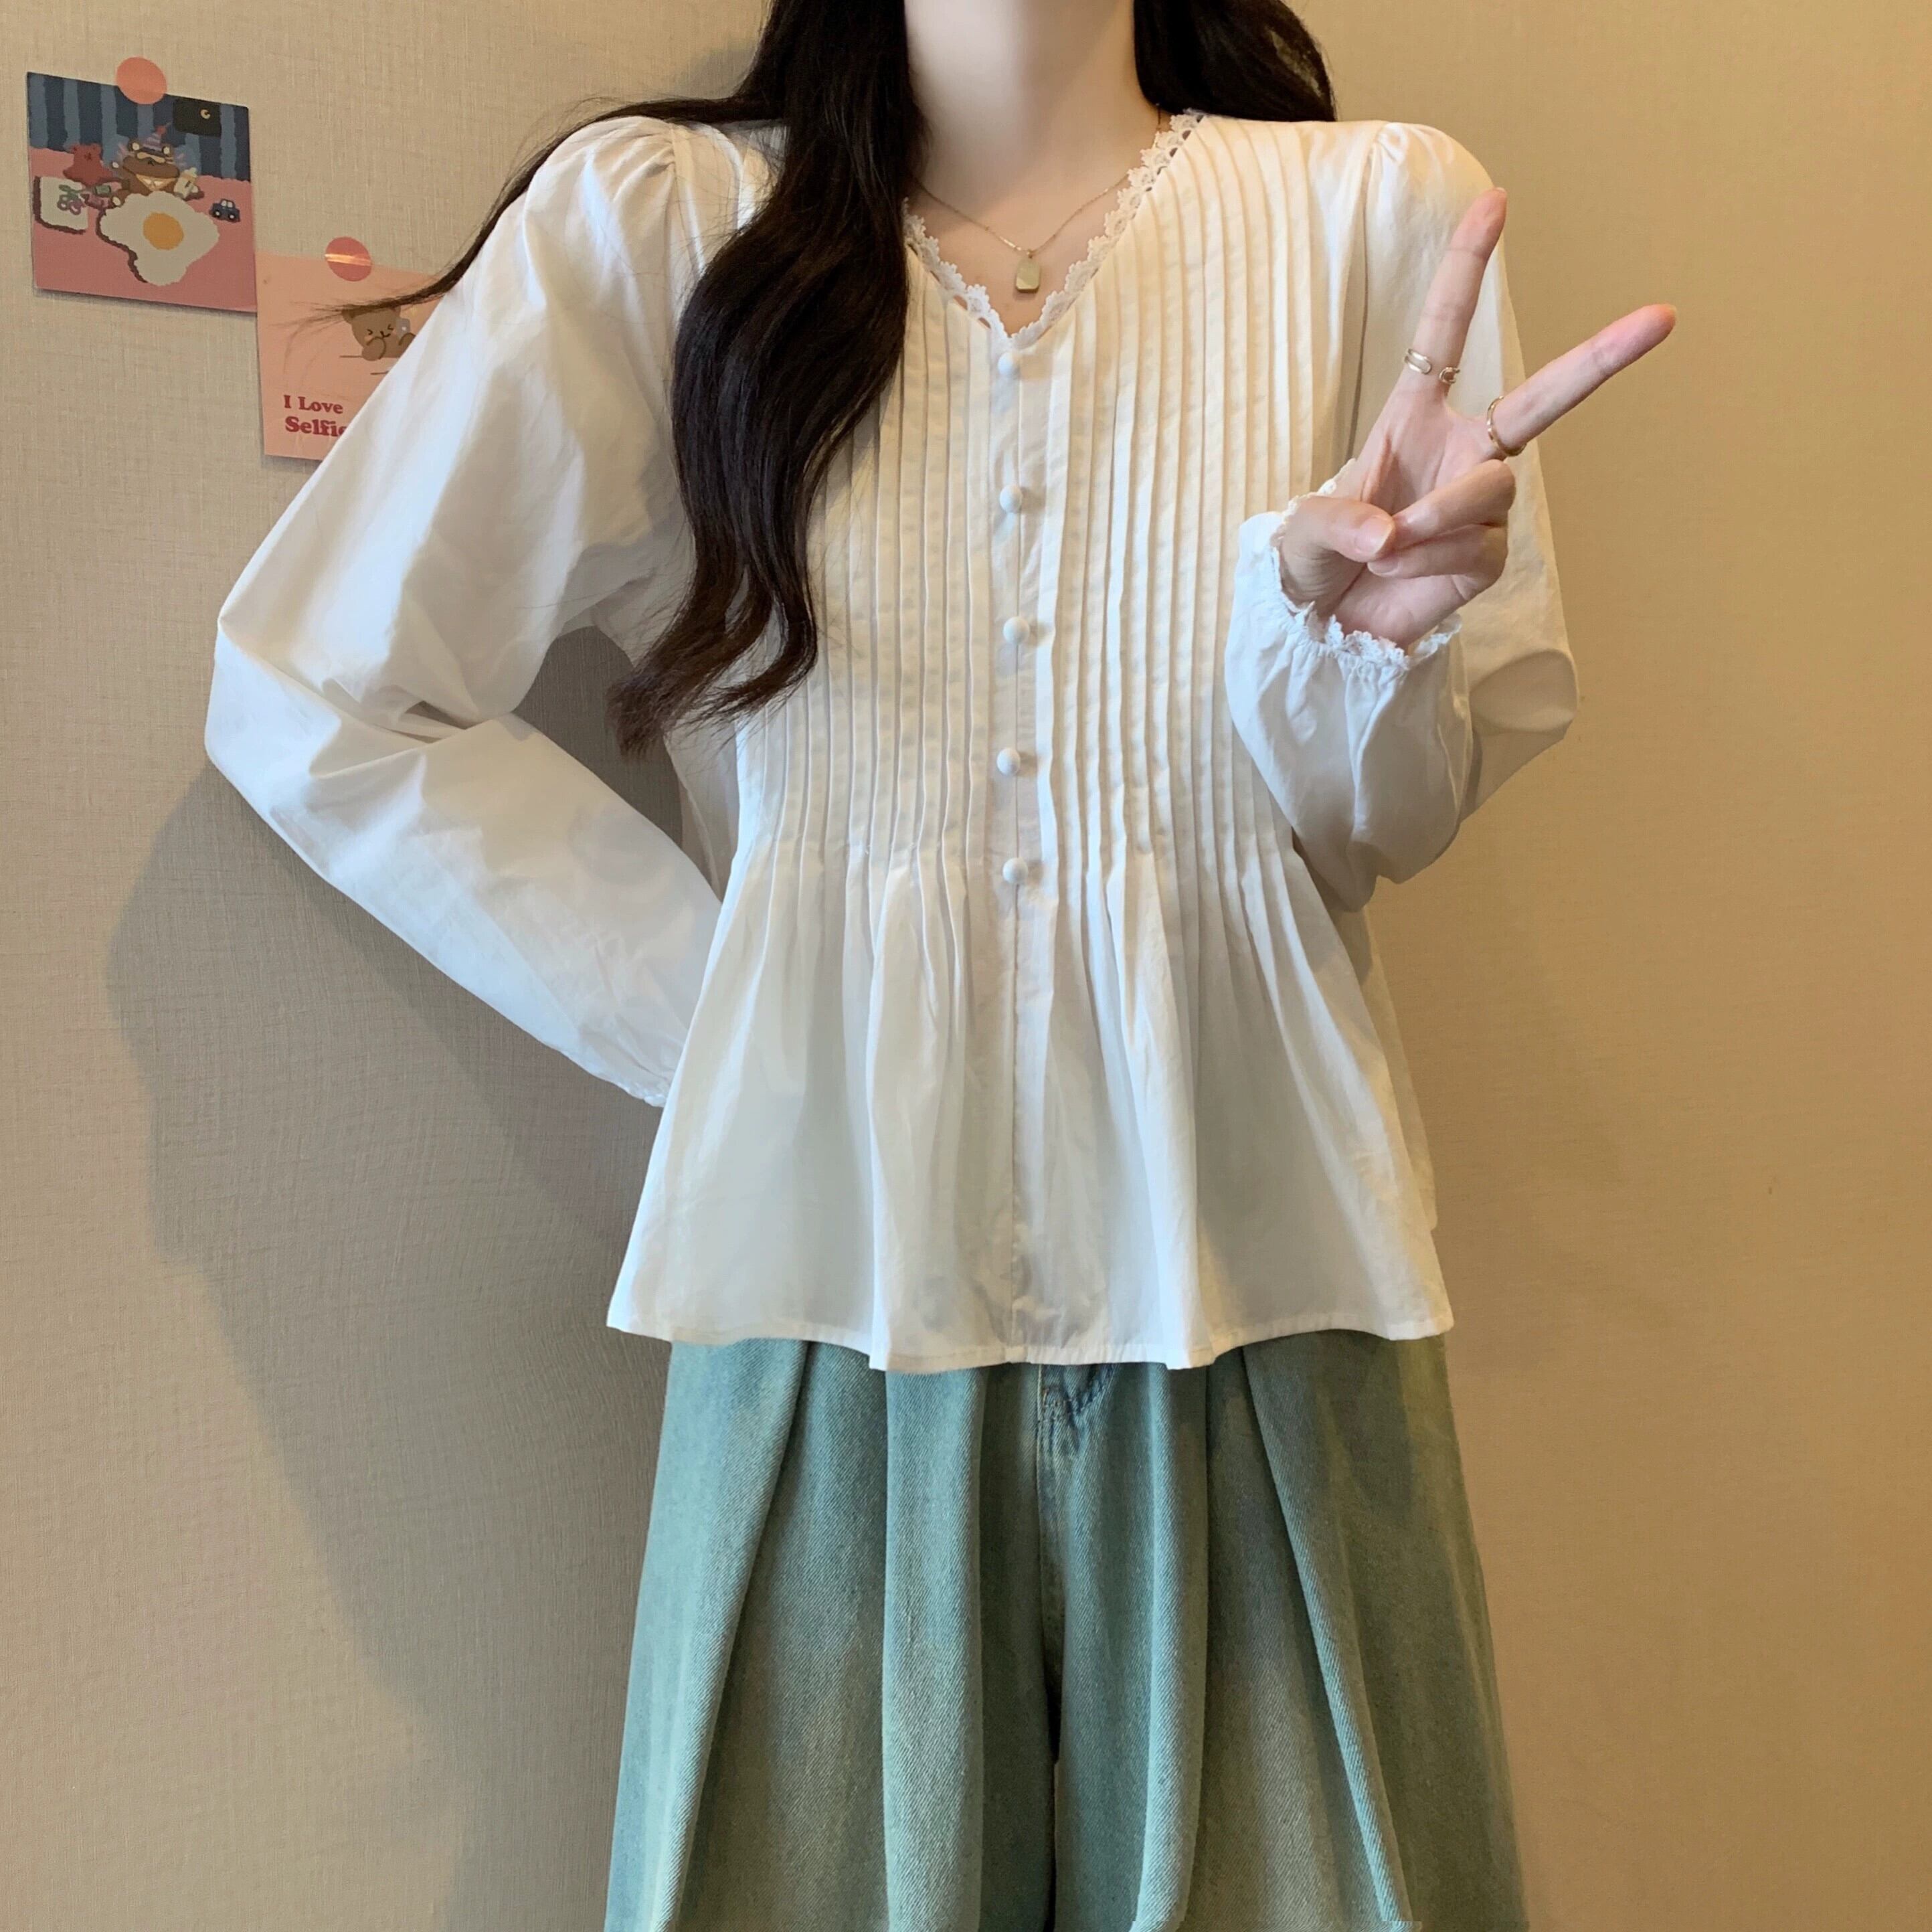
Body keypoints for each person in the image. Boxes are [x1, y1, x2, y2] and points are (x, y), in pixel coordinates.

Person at [202, 1, 1674, 1925]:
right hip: (832, 1288)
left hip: (1261, 1270)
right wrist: (748, 1034)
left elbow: (1362, 834)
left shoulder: (1377, 219)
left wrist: (1360, 645)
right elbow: (320, 693)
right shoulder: (664, 228)